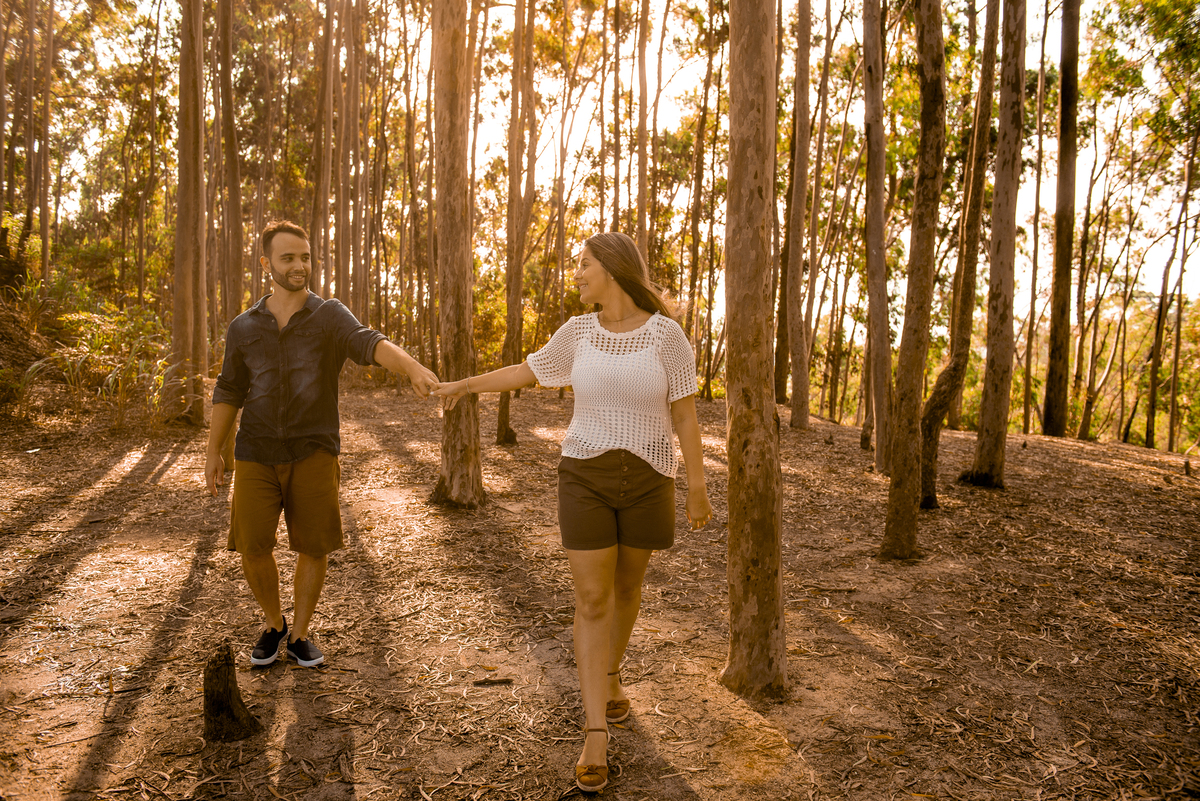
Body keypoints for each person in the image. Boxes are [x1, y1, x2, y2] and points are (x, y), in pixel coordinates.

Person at [433, 231, 712, 792]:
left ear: (611, 267)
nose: (577, 274)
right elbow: (525, 371)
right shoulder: (579, 332)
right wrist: (464, 386)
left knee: (628, 590)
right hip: (584, 473)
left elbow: (684, 416)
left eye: (583, 265)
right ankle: (594, 732)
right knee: (591, 598)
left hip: (650, 477)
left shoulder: (667, 337)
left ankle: (610, 677)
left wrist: (698, 485)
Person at [204, 220, 438, 668]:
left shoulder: (329, 314)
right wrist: (213, 450)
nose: (299, 265)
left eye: (305, 257)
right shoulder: (244, 326)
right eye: (288, 257)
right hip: (254, 451)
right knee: (252, 545)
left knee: (313, 546)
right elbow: (229, 389)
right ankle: (273, 624)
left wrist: (410, 367)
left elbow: (369, 342)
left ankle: (300, 634)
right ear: (266, 263)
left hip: (313, 450)